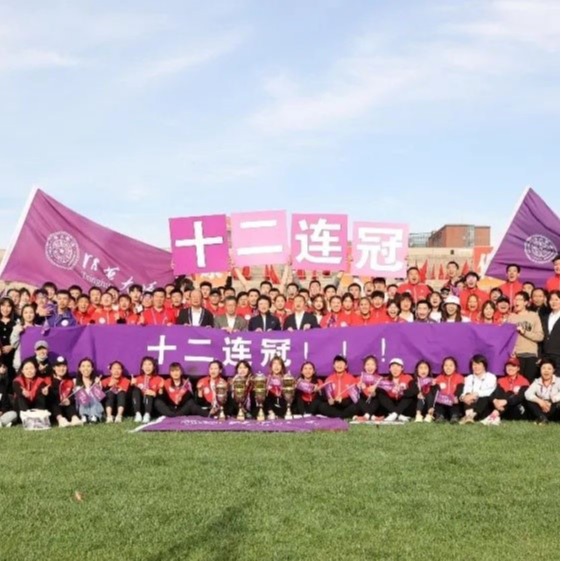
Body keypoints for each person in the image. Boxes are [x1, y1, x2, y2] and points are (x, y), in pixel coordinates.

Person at [507, 291, 544, 381]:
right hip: (516, 355)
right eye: (515, 299)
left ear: (526, 302)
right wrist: (510, 350)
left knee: (528, 382)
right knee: (517, 382)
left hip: (530, 355)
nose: (516, 301)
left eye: (519, 299)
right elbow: (507, 338)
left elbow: (540, 336)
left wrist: (524, 332)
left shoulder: (533, 316)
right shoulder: (511, 317)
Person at [482, 357, 530, 425]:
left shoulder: (524, 381)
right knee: (500, 392)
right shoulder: (501, 380)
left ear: (518, 368)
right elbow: (493, 394)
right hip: (502, 409)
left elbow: (520, 397)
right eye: (508, 366)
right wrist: (495, 401)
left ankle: (494, 415)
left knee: (510, 393)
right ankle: (495, 416)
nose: (510, 368)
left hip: (517, 409)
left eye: (513, 366)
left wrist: (506, 401)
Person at [459, 355, 497, 424]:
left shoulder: (491, 377)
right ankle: (469, 416)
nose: (476, 367)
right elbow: (465, 391)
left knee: (485, 397)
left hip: (484, 406)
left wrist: (476, 394)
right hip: (470, 405)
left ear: (484, 366)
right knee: (467, 394)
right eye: (474, 365)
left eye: (479, 364)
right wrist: (463, 397)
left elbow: (491, 392)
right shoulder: (469, 378)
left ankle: (470, 416)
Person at [48, 356, 83, 427]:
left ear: (67, 368)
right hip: (55, 410)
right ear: (54, 368)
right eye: (58, 366)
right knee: (54, 402)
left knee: (70, 402)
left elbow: (74, 395)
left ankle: (74, 418)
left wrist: (69, 400)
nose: (61, 369)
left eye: (64, 366)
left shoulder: (70, 381)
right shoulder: (49, 381)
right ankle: (61, 420)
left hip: (67, 408)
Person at [524, 358, 559, 424]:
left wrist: (551, 401)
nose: (546, 371)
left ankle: (542, 418)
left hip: (554, 408)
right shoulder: (537, 381)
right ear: (540, 369)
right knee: (529, 400)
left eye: (549, 369)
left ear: (553, 370)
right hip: (541, 409)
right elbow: (527, 393)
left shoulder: (558, 381)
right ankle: (542, 418)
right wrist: (540, 402)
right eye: (543, 368)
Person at [131, 357, 164, 423]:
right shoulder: (136, 379)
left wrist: (155, 393)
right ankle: (138, 414)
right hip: (139, 405)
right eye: (145, 364)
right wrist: (131, 385)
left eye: (150, 364)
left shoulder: (159, 379)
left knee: (148, 392)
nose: (147, 367)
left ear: (154, 367)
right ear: (142, 367)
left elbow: (162, 395)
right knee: (135, 390)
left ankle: (147, 415)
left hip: (151, 406)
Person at [432, 357, 464, 423]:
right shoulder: (439, 378)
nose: (448, 368)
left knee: (455, 404)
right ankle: (440, 416)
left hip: (454, 402)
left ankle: (454, 416)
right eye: (446, 365)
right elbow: (435, 392)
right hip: (442, 403)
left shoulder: (460, 378)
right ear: (443, 367)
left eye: (451, 365)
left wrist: (456, 397)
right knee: (439, 405)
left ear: (455, 367)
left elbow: (461, 390)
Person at [74, 358, 105, 423]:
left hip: (95, 406)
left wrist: (96, 386)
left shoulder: (97, 380)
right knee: (82, 395)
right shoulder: (74, 381)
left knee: (92, 395)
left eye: (88, 366)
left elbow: (99, 398)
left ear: (92, 368)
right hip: (81, 407)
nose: (86, 368)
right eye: (83, 366)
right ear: (79, 368)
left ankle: (94, 416)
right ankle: (84, 415)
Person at [354, 355, 383, 420]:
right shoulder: (359, 379)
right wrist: (359, 388)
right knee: (358, 397)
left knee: (379, 397)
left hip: (375, 407)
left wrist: (374, 392)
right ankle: (372, 417)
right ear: (364, 367)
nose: (370, 367)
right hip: (362, 407)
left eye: (372, 364)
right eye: (367, 364)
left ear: (376, 367)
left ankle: (367, 416)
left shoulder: (379, 379)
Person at [10, 304, 37, 371]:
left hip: (36, 363)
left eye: (31, 312)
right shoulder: (17, 328)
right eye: (26, 312)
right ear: (22, 314)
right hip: (20, 362)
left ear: (34, 314)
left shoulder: (39, 328)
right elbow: (14, 345)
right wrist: (17, 332)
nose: (28, 315)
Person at [541, 290, 560, 371]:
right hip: (546, 355)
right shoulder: (545, 318)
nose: (553, 302)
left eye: (556, 299)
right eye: (551, 299)